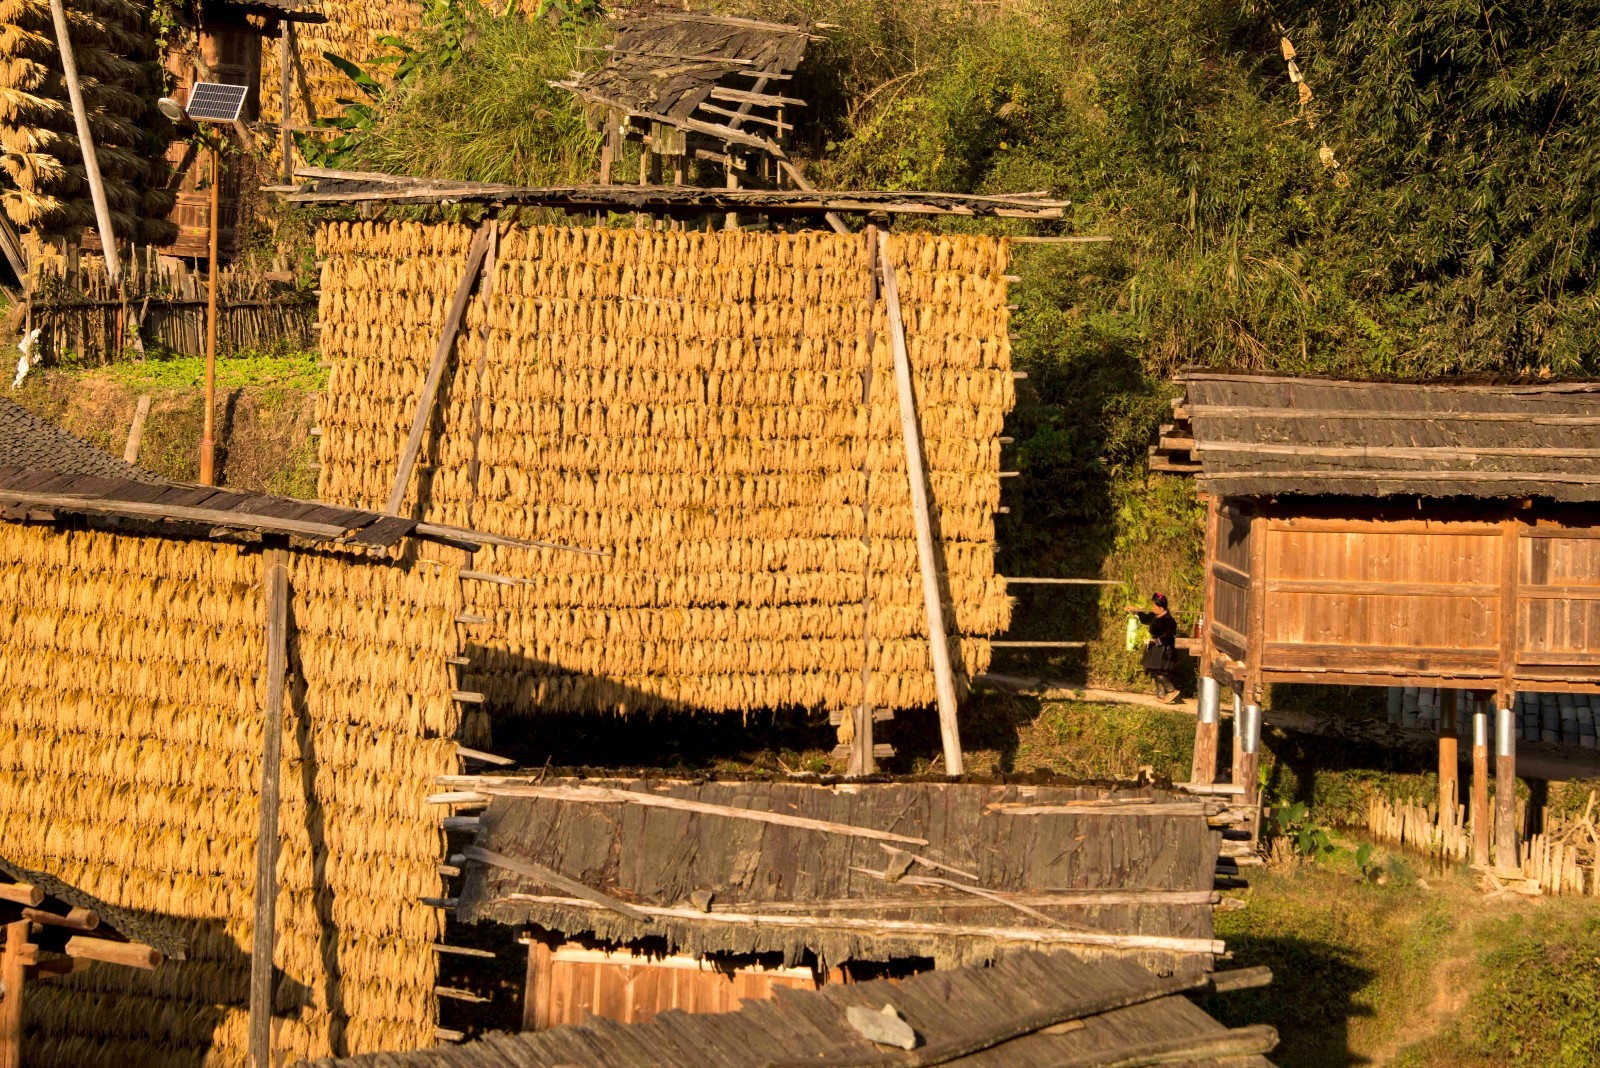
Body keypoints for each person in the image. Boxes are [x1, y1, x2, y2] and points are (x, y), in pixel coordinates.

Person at [1125, 593, 1180, 703]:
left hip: (1164, 649)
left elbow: (1169, 635)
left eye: (1154, 606)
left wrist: (1156, 641)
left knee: (1158, 672)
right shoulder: (1154, 616)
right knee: (1154, 670)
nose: (1152, 608)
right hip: (1154, 647)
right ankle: (1161, 696)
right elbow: (1145, 619)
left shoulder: (1169, 620)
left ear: (1161, 608)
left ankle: (1171, 690)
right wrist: (1136, 610)